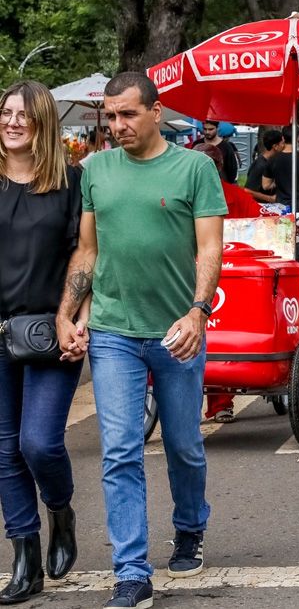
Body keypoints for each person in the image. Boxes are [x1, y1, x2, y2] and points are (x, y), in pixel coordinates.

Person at [55, 72, 227, 608]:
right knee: (120, 451)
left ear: (157, 112)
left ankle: (191, 525)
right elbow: (86, 251)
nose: (117, 125)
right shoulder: (95, 170)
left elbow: (209, 248)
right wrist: (68, 313)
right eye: (109, 115)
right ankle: (131, 569)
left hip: (177, 330)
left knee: (183, 446)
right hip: (112, 332)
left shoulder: (195, 167)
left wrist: (198, 313)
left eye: (127, 114)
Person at [0, 80, 84, 604]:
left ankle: (61, 510)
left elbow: (87, 254)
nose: (11, 122)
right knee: (4, 449)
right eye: (5, 113)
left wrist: (75, 318)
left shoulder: (70, 183)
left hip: (49, 328)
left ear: (43, 124)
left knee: (39, 443)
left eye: (23, 115)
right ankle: (25, 557)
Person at [193, 143, 263, 425]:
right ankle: (221, 403)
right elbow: (261, 230)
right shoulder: (238, 196)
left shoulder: (188, 196)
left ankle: (205, 404)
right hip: (237, 277)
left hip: (197, 274)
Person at [261, 128, 299, 213]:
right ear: (298, 139)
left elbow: (265, 185)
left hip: (281, 206)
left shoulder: (272, 160)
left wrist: (279, 182)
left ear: (283, 138)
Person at [243, 129, 284, 204]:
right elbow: (247, 190)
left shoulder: (271, 162)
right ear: (275, 146)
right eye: (282, 143)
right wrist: (270, 198)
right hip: (261, 207)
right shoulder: (260, 165)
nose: (284, 146)